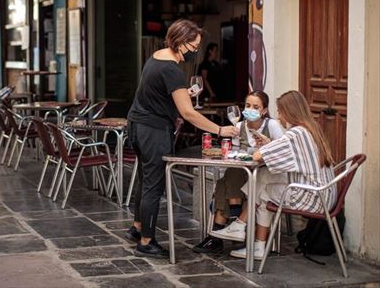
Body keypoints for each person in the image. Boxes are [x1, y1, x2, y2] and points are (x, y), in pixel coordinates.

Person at [126, 19, 239, 259]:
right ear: (180, 42)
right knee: (153, 186)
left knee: (145, 180)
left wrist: (184, 94)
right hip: (153, 131)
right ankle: (146, 242)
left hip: (137, 125)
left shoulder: (157, 57)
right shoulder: (173, 70)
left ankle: (138, 228)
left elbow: (156, 93)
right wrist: (220, 130)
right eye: (194, 46)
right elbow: (188, 113)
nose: (196, 51)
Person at [213, 90, 337, 260]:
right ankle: (248, 235)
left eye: (280, 111)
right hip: (325, 193)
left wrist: (265, 147)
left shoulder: (296, 133)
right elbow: (288, 153)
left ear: (289, 112)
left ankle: (243, 229)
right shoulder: (310, 128)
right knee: (266, 178)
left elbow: (257, 156)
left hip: (313, 198)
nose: (278, 116)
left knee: (264, 188)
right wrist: (269, 143)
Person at [192, 90, 284, 253]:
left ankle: (217, 237)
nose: (250, 109)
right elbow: (234, 155)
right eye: (248, 105)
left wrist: (266, 145)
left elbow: (282, 152)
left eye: (256, 107)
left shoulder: (272, 126)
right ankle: (229, 223)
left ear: (263, 110)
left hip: (265, 175)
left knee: (225, 182)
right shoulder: (239, 127)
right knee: (227, 179)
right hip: (243, 173)